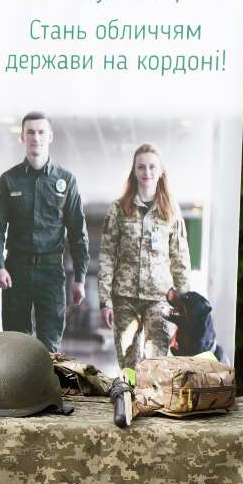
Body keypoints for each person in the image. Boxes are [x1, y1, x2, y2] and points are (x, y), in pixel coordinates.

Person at [0, 111, 88, 352]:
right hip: (15, 272)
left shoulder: (66, 180)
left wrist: (80, 278)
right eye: (30, 132)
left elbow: (77, 233)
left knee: (50, 347)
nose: (36, 137)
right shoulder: (8, 181)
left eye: (41, 132)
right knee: (15, 346)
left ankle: (47, 391)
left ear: (50, 136)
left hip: (51, 273)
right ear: (22, 137)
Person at [96, 143, 192, 371]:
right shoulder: (118, 209)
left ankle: (150, 402)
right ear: (134, 171)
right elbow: (107, 257)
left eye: (152, 167)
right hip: (124, 297)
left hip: (160, 298)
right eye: (141, 167)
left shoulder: (171, 211)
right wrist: (105, 302)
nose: (147, 172)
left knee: (156, 358)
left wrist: (185, 303)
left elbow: (180, 258)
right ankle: (129, 398)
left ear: (160, 172)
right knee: (128, 360)